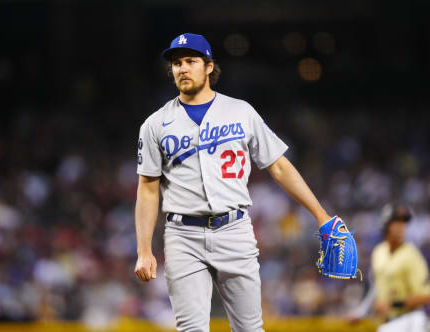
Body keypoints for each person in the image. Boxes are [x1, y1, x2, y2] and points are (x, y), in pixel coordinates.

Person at [134, 32, 338, 332]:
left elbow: (279, 167)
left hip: (234, 229)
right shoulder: (154, 124)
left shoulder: (240, 111)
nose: (182, 68)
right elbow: (148, 188)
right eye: (177, 63)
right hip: (182, 236)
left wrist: (321, 215)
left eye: (191, 61)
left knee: (249, 328)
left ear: (209, 66)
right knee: (191, 329)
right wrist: (143, 249)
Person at [371, 202, 430, 332]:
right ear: (385, 224)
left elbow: (426, 295)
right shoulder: (378, 252)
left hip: (411, 320)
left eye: (404, 223)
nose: (401, 227)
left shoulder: (411, 254)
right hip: (388, 322)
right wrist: (361, 312)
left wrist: (393, 304)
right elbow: (376, 289)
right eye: (396, 222)